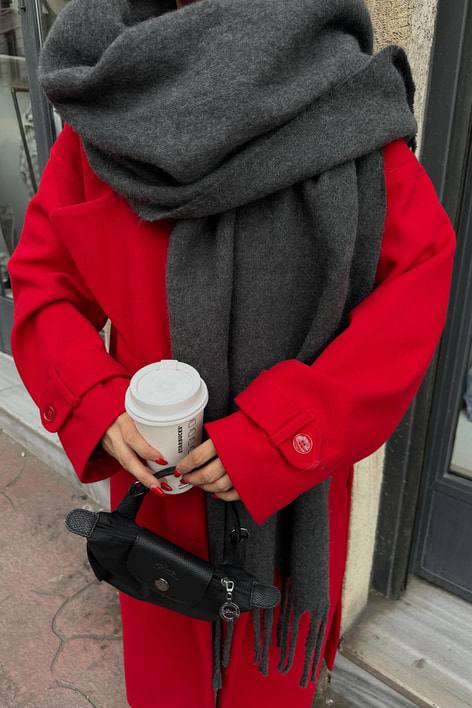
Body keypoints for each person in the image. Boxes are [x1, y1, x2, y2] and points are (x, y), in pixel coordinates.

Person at [8, 1, 456, 706]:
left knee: (267, 679)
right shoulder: (109, 107)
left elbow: (412, 293)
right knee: (167, 679)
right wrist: (92, 397)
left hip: (289, 503)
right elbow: (45, 278)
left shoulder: (348, 105)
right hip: (158, 482)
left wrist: (284, 433)